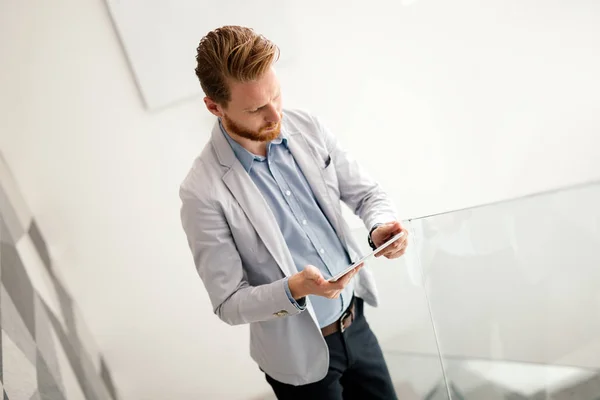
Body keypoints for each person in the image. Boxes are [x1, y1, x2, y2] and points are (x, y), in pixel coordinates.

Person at [179, 25, 409, 400]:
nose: (275, 115)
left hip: (357, 322)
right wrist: (293, 289)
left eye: (276, 96)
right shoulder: (201, 192)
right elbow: (228, 303)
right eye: (255, 108)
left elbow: (367, 194)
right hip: (298, 360)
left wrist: (380, 227)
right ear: (213, 106)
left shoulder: (308, 126)